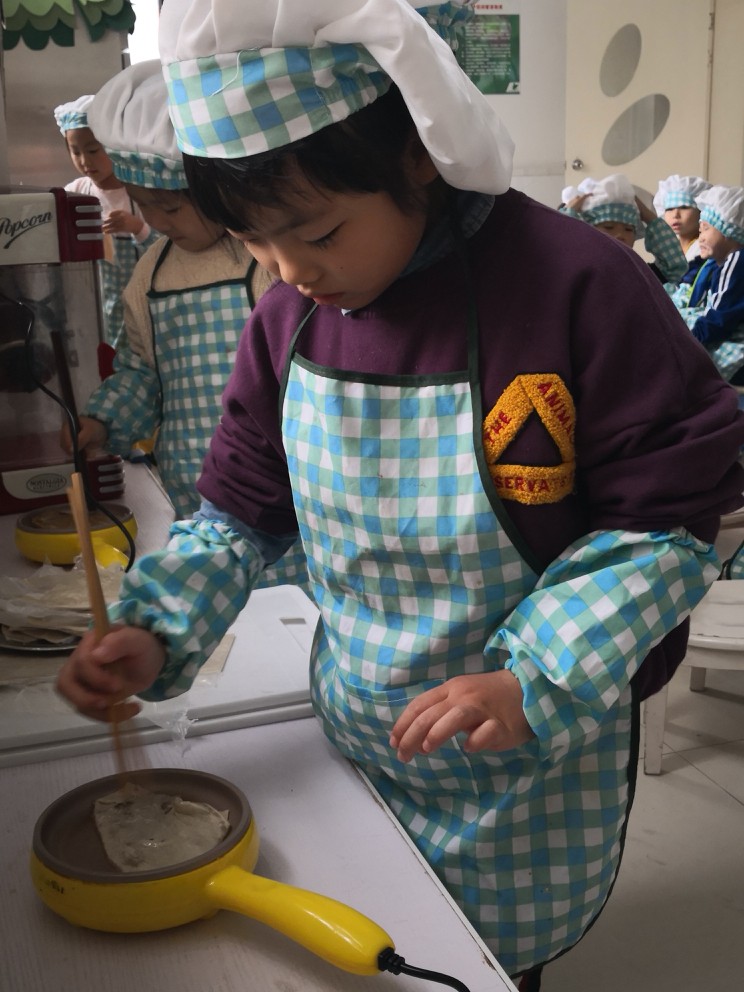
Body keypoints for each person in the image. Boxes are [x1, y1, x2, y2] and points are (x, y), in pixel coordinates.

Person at [56, 2, 744, 988]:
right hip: (359, 729)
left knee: (488, 968)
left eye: (319, 232)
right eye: (256, 243)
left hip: (527, 754)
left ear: (417, 152)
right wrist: (156, 630)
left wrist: (535, 679)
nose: (292, 272)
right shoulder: (288, 318)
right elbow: (239, 514)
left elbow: (664, 526)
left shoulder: (574, 286)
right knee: (381, 948)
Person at [59, 61, 274, 522]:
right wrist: (102, 422)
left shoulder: (265, 261)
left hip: (275, 486)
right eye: (144, 205)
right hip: (191, 484)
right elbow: (142, 374)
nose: (157, 221)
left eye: (171, 207)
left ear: (216, 191)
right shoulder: (152, 275)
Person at [54, 95, 160, 350]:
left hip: (142, 307)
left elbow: (164, 251)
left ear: (115, 146)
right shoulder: (74, 193)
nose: (84, 161)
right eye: (75, 152)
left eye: (93, 150)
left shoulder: (140, 192)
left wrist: (138, 228)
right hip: (93, 307)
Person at [672, 184, 744, 384]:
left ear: (728, 229)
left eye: (705, 229)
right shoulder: (717, 264)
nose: (700, 238)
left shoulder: (736, 261)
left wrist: (690, 342)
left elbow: (720, 317)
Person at [560, 173, 688, 284]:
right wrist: (567, 217)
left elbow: (675, 267)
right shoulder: (580, 271)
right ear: (588, 231)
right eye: (609, 227)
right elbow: (559, 253)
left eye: (628, 229)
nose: (620, 235)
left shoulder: (640, 274)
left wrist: (650, 219)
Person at [653, 173, 712, 284]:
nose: (675, 215)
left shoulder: (707, 248)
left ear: (701, 211)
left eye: (684, 207)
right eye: (669, 209)